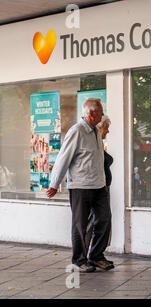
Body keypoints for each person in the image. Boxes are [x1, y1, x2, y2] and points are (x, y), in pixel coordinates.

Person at [46, 98, 113, 272]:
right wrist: (54, 183)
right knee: (80, 225)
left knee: (104, 219)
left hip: (99, 186)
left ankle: (96, 256)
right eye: (100, 111)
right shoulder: (77, 131)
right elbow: (63, 158)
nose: (102, 114)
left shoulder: (96, 132)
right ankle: (79, 260)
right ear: (91, 113)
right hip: (81, 187)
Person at [85, 115, 113, 267]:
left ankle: (96, 255)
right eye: (106, 128)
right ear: (98, 127)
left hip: (102, 187)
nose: (107, 131)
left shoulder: (99, 144)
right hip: (91, 188)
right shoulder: (88, 141)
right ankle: (84, 258)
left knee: (104, 220)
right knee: (90, 223)